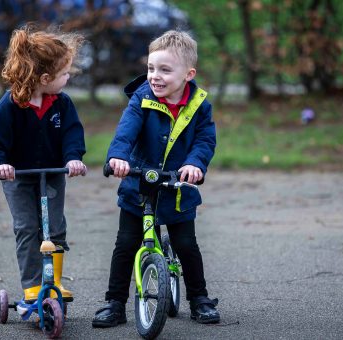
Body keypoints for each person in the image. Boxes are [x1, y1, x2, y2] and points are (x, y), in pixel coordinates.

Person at [92, 30, 219, 327]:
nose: (154, 76)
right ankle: (114, 302)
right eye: (151, 68)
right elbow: (127, 130)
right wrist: (118, 157)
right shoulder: (142, 98)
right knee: (126, 244)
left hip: (178, 188)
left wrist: (195, 164)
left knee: (186, 245)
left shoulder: (199, 105)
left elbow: (204, 140)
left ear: (188, 74)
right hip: (139, 186)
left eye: (164, 70)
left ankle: (199, 299)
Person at [0, 24, 87, 314]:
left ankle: (55, 282)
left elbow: (72, 136)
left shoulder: (62, 104)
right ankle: (32, 286)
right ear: (45, 78)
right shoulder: (10, 106)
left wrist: (73, 158)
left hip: (51, 174)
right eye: (65, 74)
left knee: (55, 228)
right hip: (19, 178)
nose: (68, 78)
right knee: (27, 228)